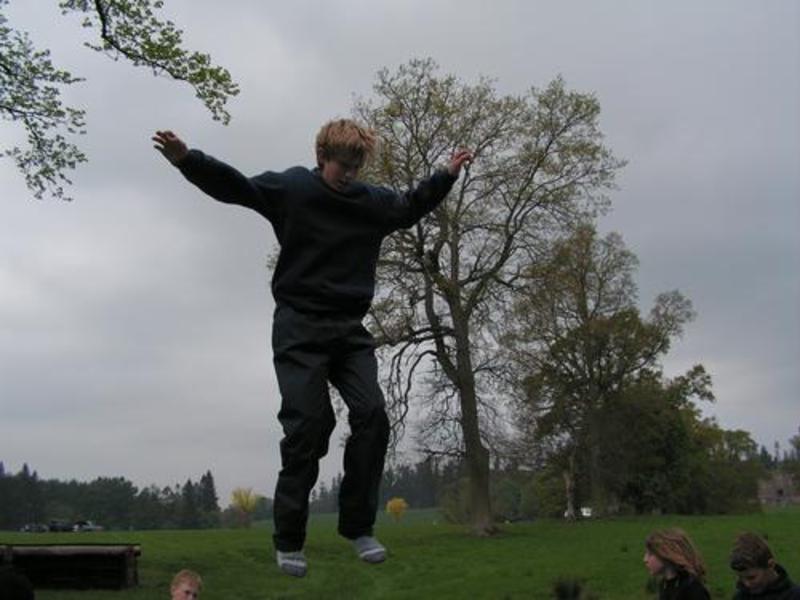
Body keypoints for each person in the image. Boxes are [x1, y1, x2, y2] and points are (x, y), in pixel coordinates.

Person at [153, 119, 472, 578]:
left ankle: (358, 527)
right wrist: (188, 160)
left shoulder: (370, 202)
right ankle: (289, 538)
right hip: (299, 328)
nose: (349, 175)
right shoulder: (293, 189)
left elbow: (409, 206)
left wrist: (446, 175)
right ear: (322, 157)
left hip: (349, 330)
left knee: (373, 415)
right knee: (309, 427)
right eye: (342, 166)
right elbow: (237, 187)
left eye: (356, 168)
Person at [644, 528, 711, 600]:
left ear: (665, 554)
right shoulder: (664, 585)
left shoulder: (692, 588)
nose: (645, 559)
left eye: (650, 554)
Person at [729, 532, 800, 599]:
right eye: (740, 577)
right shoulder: (740, 597)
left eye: (751, 577)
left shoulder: (794, 596)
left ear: (771, 565)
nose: (747, 584)